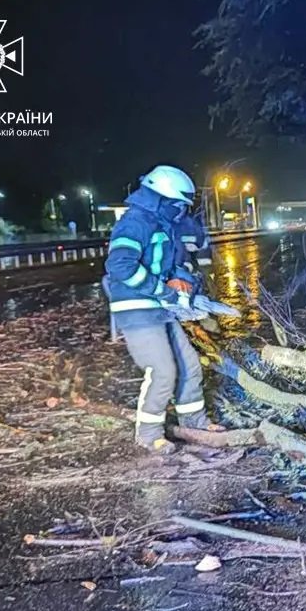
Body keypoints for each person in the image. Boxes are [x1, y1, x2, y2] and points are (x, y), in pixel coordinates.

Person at [103, 165, 222, 452]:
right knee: (163, 370)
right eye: (178, 206)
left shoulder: (161, 225)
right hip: (137, 309)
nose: (181, 212)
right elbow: (119, 265)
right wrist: (161, 290)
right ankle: (148, 435)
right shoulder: (134, 223)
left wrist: (184, 283)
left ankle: (194, 422)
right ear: (163, 200)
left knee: (190, 366)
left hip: (160, 307)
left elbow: (166, 267)